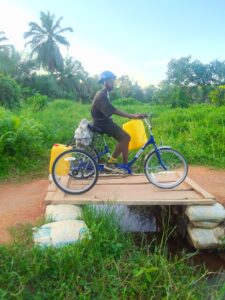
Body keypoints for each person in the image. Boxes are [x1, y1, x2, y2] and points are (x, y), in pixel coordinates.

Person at [91, 70, 147, 171]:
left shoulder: (104, 93)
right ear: (104, 82)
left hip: (103, 122)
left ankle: (126, 166)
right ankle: (110, 163)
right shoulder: (101, 95)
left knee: (125, 138)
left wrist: (132, 115)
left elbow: (108, 110)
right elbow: (113, 110)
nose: (113, 83)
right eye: (110, 81)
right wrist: (133, 116)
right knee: (125, 138)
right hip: (102, 124)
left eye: (113, 81)